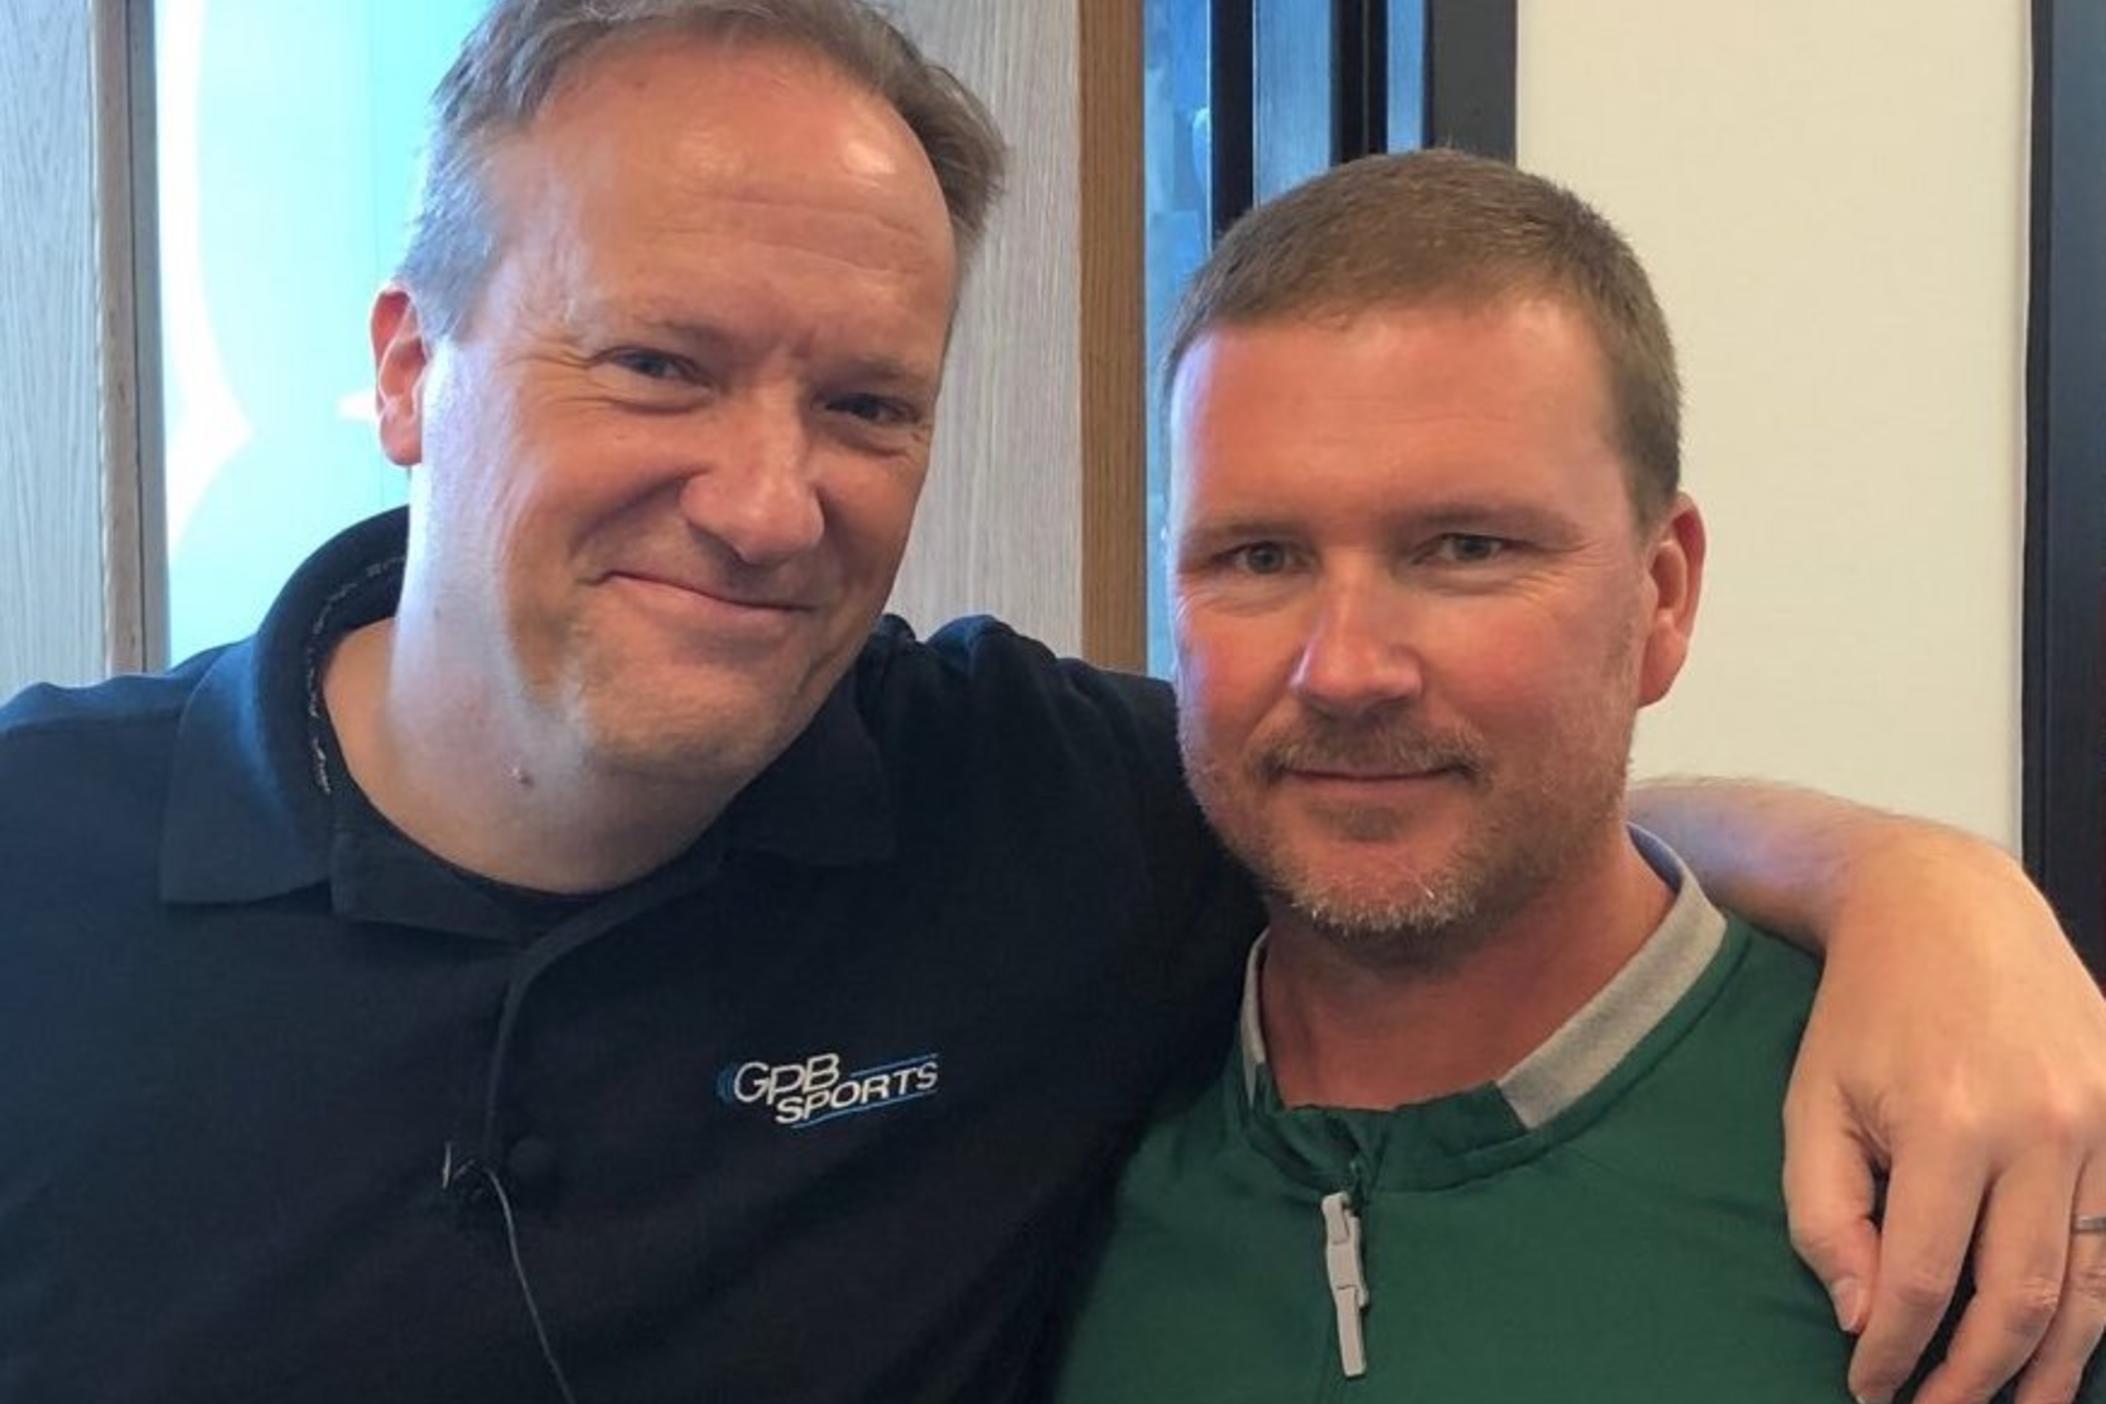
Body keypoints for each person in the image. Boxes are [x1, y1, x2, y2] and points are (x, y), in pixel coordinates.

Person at [0, 3, 2099, 1401]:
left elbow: (1431, 798)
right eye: (653, 361)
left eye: (867, 403)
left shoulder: (1024, 818)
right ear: (405, 367)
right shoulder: (33, 879)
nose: (762, 497)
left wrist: (1927, 893)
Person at [1049, 148, 2105, 1404]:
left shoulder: (1964, 1177)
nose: (1345, 670)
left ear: (1662, 596)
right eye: (1259, 555)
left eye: (1464, 548)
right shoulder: (1048, 1131)